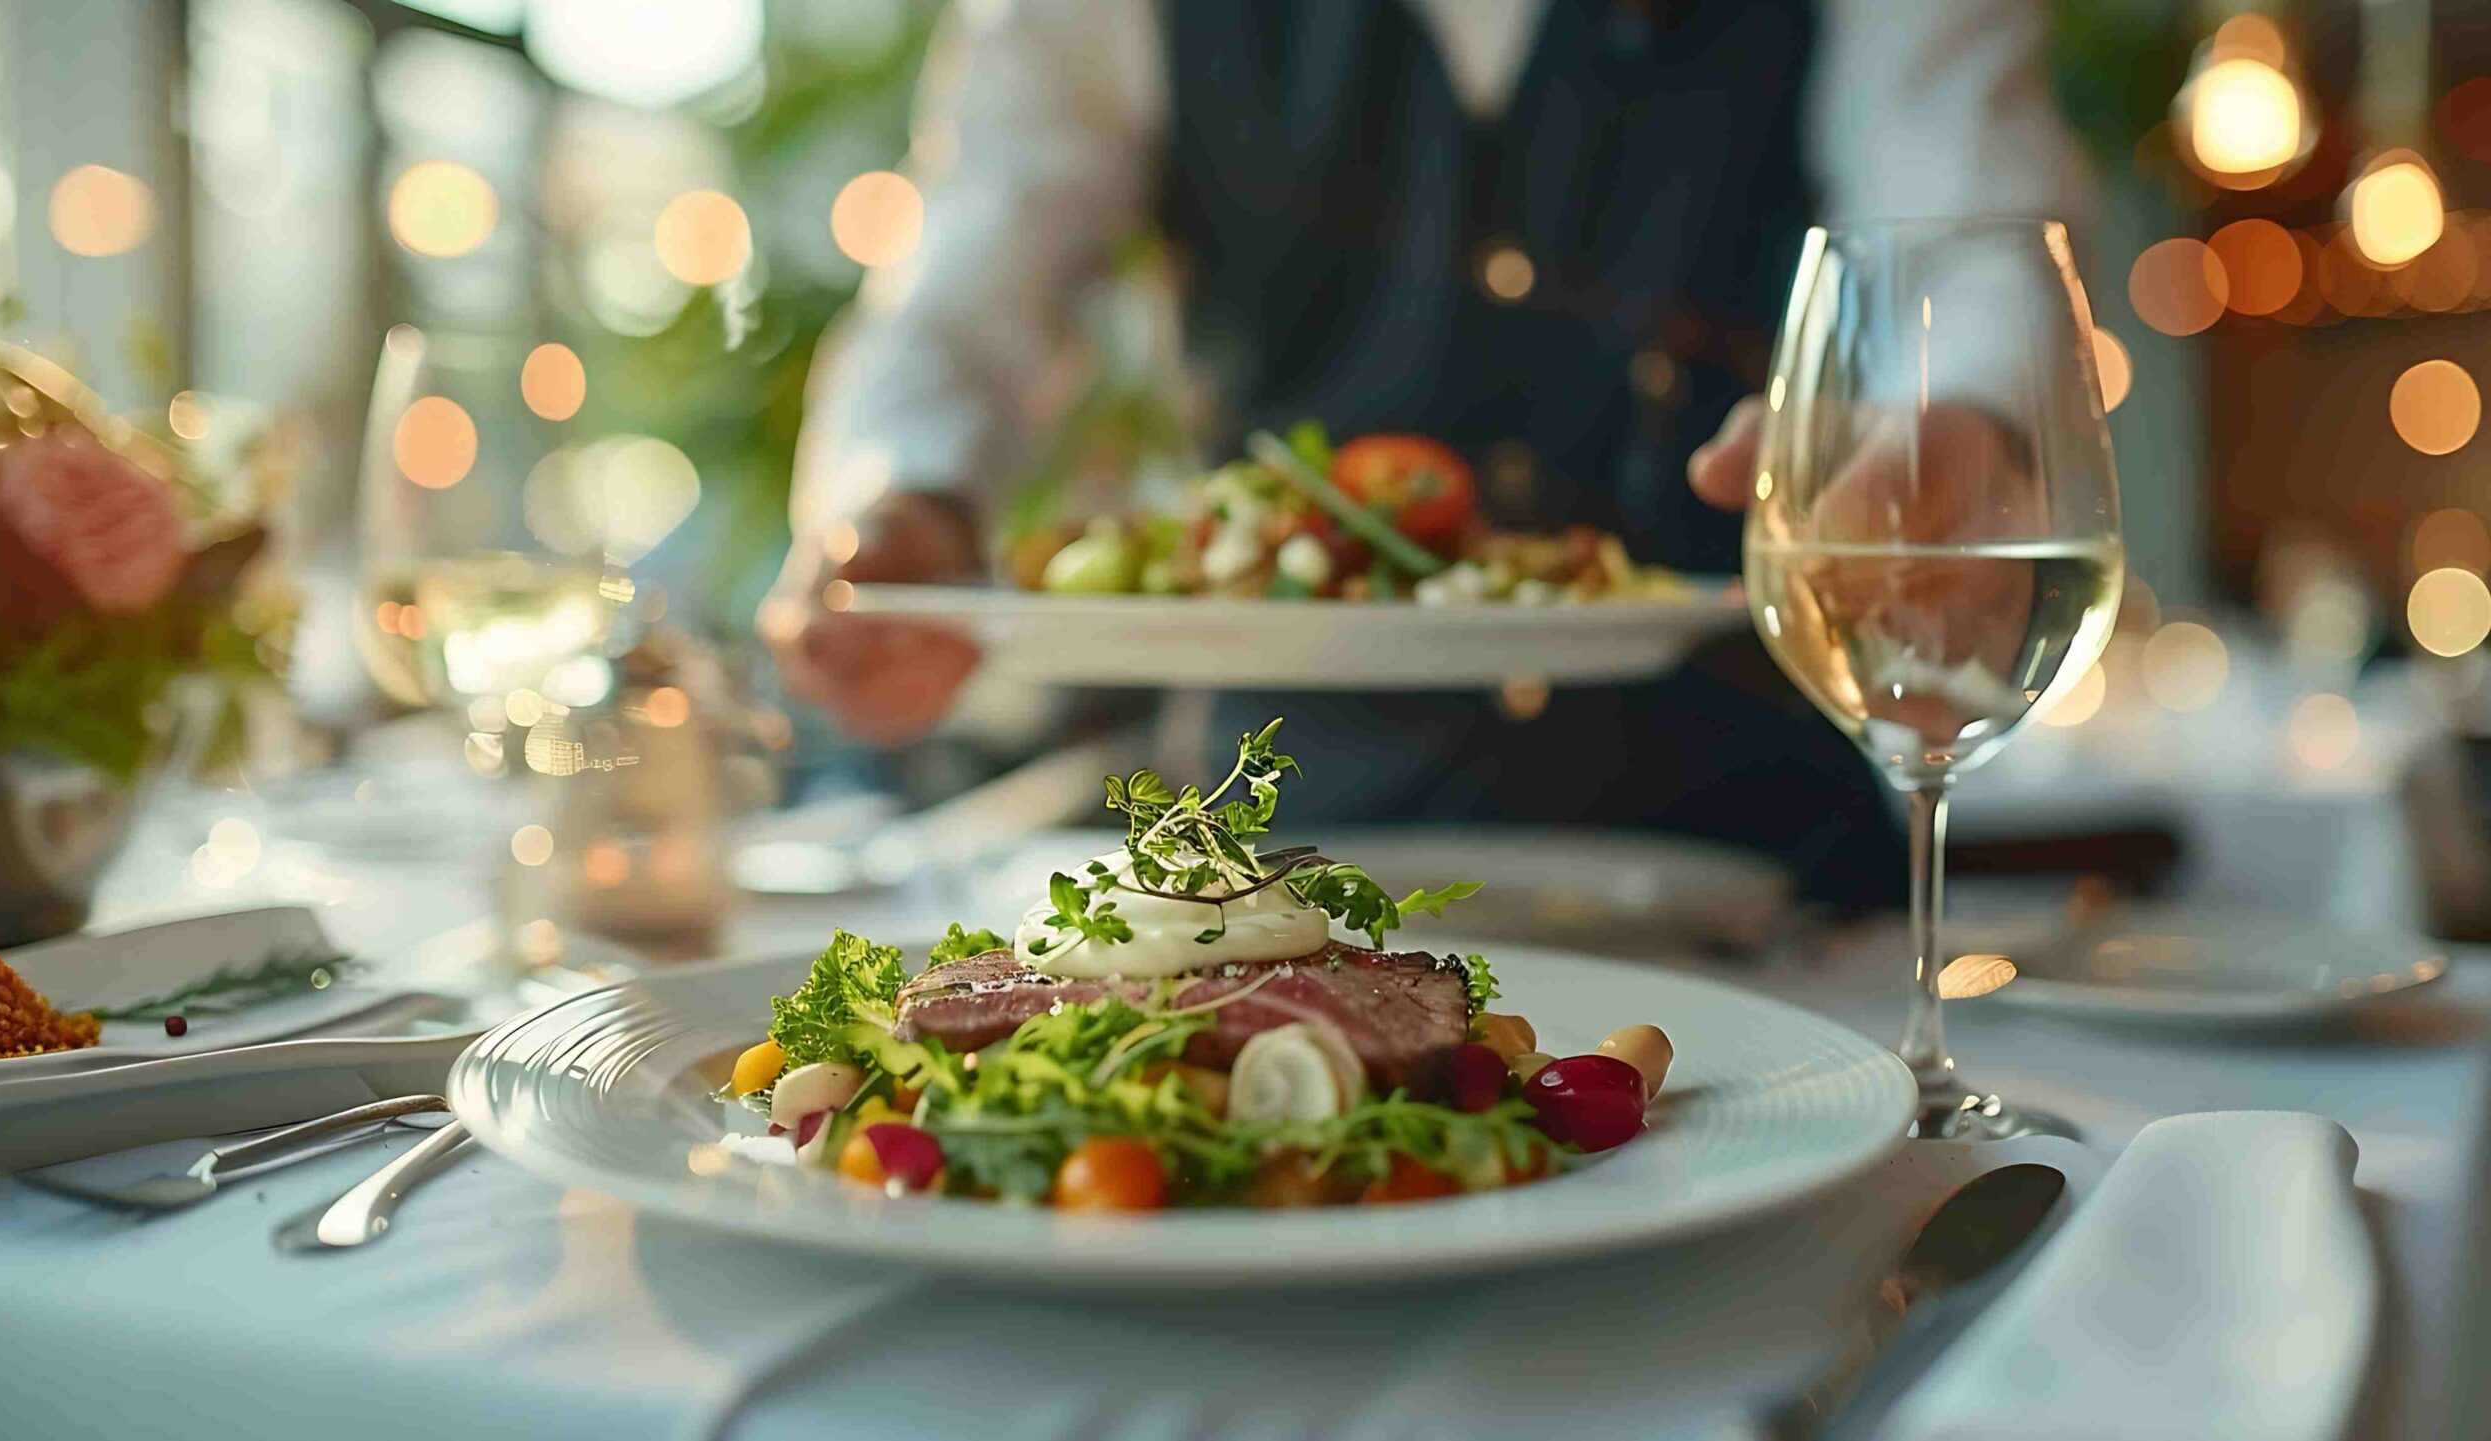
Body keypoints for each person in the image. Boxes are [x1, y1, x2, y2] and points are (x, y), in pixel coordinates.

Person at [766, 0, 2091, 908]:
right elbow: (963, 298)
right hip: (1274, 870)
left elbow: (1969, 235)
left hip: (1758, 876)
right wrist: (905, 498)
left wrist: (1953, 428)